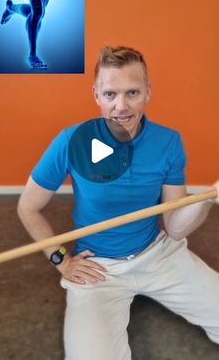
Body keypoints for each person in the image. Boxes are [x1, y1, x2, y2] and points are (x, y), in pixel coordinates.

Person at [18, 45, 219, 360]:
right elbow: (27, 207)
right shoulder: (71, 141)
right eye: (110, 94)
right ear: (96, 94)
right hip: (98, 267)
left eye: (133, 93)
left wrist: (210, 197)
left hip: (159, 254)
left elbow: (177, 227)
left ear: (148, 93)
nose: (121, 106)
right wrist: (62, 261)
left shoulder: (168, 141)